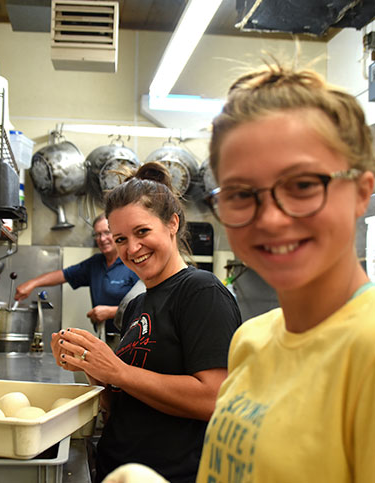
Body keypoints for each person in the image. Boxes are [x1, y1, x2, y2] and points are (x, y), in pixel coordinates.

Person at [195, 63, 375, 482]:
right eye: (241, 194)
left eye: (303, 185)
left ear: (362, 192)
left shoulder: (366, 351)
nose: (272, 220)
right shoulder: (251, 339)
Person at [52, 162, 242, 483]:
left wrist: (117, 370)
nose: (132, 248)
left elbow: (215, 399)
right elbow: (124, 401)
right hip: (117, 470)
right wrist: (89, 365)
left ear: (172, 224)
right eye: (121, 239)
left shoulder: (201, 291)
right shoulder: (137, 304)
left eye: (142, 232)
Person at [14, 213, 139, 343]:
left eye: (107, 233)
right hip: (107, 339)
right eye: (97, 234)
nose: (102, 239)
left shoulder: (132, 262)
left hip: (132, 340)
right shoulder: (95, 263)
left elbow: (145, 305)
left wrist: (112, 312)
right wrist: (32, 284)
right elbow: (64, 275)